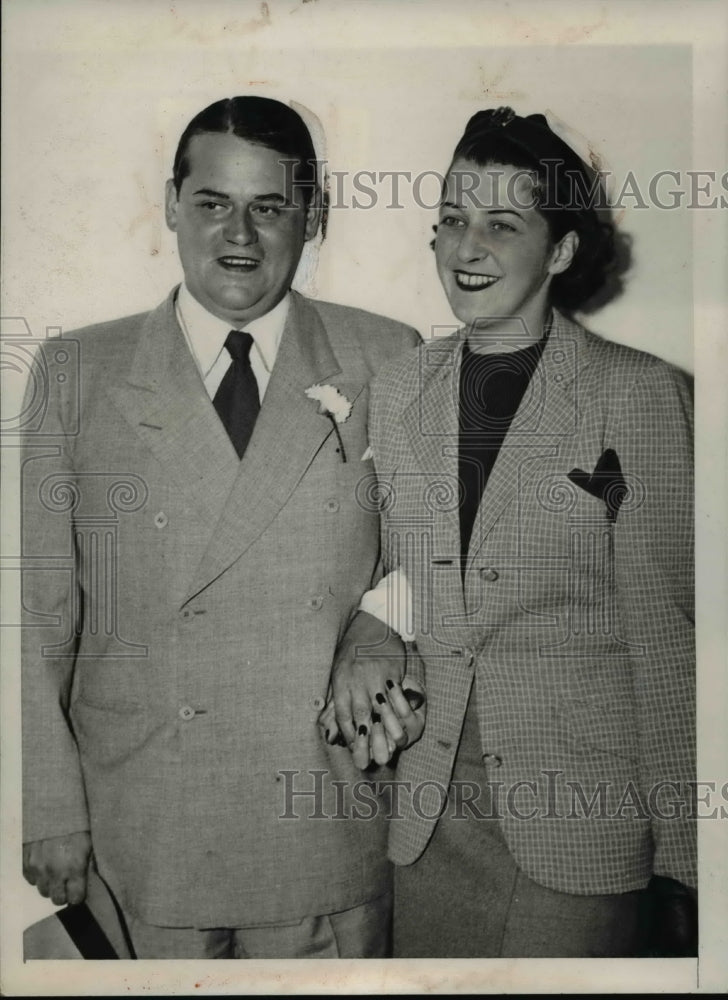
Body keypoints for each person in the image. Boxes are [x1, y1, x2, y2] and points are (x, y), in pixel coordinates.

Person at [20, 95, 422, 959]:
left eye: (270, 206)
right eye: (212, 203)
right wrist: (50, 809)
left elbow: (445, 555)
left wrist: (380, 627)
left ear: (311, 217)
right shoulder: (76, 372)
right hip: (146, 828)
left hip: (322, 813)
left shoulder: (390, 355)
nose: (239, 233)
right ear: (171, 204)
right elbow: (40, 615)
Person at [328, 107, 697, 957]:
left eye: (502, 224)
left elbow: (670, 642)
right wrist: (371, 631)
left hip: (583, 832)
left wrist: (688, 867)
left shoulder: (636, 396)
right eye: (452, 221)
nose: (468, 247)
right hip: (430, 823)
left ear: (561, 250)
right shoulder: (400, 387)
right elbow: (402, 575)